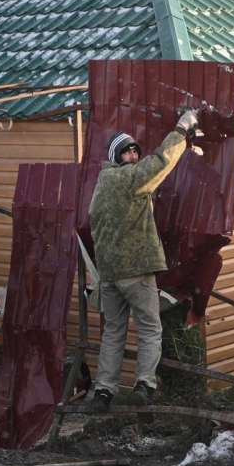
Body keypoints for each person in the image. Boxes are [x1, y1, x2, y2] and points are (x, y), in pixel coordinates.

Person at [88, 109, 199, 417]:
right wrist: (181, 129)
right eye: (127, 151)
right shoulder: (130, 178)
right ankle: (143, 386)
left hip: (109, 275)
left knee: (113, 332)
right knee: (150, 328)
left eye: (136, 149)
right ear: (116, 157)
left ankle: (103, 392)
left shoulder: (101, 185)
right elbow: (161, 161)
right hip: (136, 272)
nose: (135, 154)